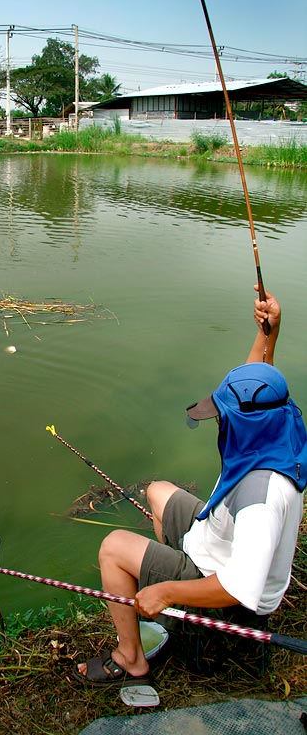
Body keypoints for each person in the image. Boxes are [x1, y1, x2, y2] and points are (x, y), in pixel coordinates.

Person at [75, 288, 307, 686]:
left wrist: (165, 591)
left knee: (113, 548)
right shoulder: (277, 426)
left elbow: (240, 589)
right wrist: (269, 331)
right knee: (158, 491)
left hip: (226, 593)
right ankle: (175, 592)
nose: (220, 422)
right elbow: (256, 382)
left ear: (243, 423)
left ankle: (131, 658)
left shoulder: (261, 498)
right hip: (218, 541)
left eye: (223, 417)